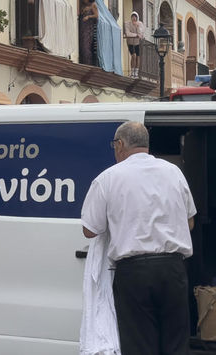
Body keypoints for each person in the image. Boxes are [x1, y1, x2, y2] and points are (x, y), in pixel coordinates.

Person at [81, 122, 196, 355]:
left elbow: (90, 230)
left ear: (120, 144)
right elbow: (190, 222)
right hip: (173, 269)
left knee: (140, 345)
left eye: (114, 146)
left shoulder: (108, 178)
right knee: (176, 343)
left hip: (134, 273)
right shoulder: (174, 172)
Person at [79, 0, 99, 66]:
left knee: (86, 44)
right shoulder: (85, 5)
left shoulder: (93, 5)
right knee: (82, 43)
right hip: (83, 26)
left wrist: (88, 16)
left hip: (88, 27)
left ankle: (88, 62)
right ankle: (83, 60)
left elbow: (96, 15)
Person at [123, 11, 145, 79]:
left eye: (135, 17)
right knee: (134, 56)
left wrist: (137, 27)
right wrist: (136, 35)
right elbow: (127, 33)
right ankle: (132, 72)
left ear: (137, 18)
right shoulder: (127, 23)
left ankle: (136, 73)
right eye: (132, 16)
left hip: (138, 43)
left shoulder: (140, 24)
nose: (134, 18)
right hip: (130, 43)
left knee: (138, 57)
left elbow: (141, 34)